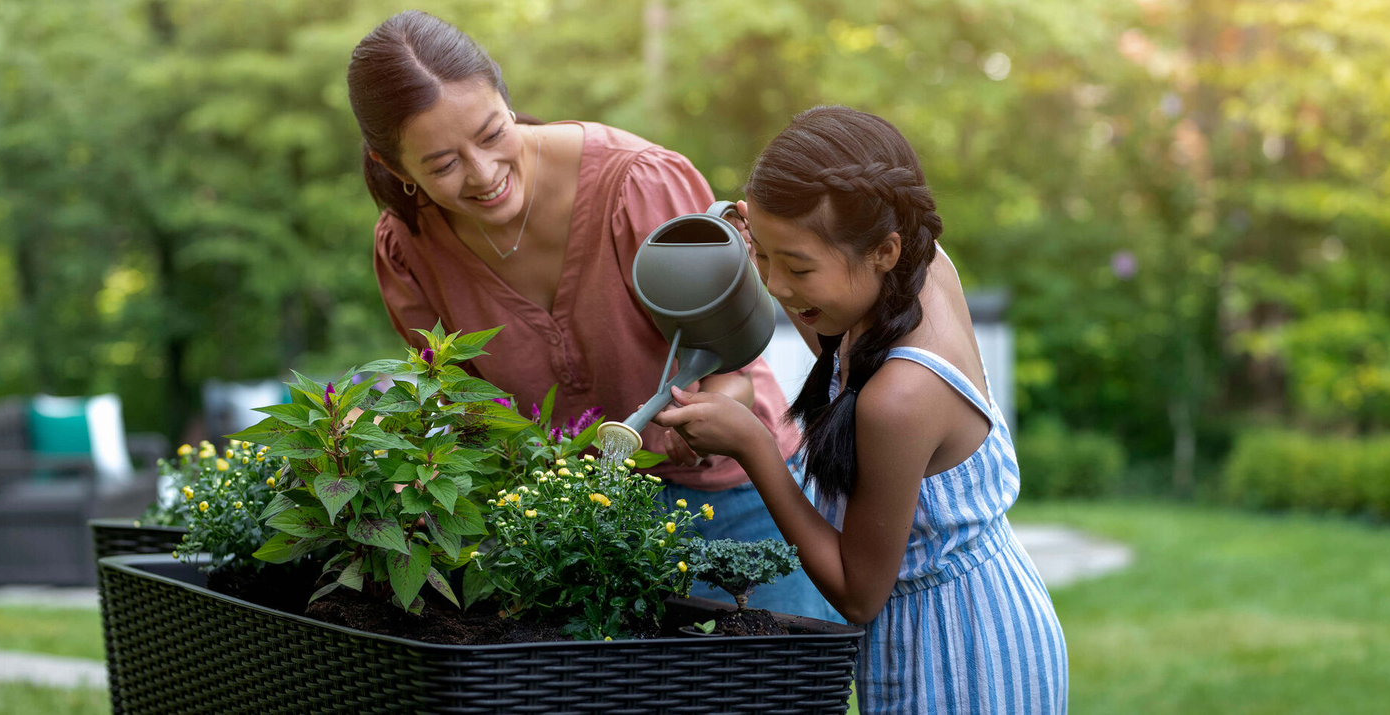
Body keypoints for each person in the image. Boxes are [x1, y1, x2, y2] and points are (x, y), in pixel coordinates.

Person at [346, 11, 838, 621]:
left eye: (493, 132)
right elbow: (455, 402)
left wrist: (702, 418)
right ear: (396, 169)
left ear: (506, 98)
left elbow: (735, 371)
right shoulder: (408, 247)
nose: (483, 173)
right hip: (574, 523)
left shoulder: (637, 183)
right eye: (443, 165)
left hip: (732, 501)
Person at [653, 106, 1068, 714]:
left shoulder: (901, 398)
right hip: (964, 615)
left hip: (960, 654)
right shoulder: (916, 271)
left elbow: (856, 593)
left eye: (795, 266)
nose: (774, 285)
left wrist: (754, 446)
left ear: (884, 250)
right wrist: (769, 245)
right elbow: (829, 305)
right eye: (763, 257)